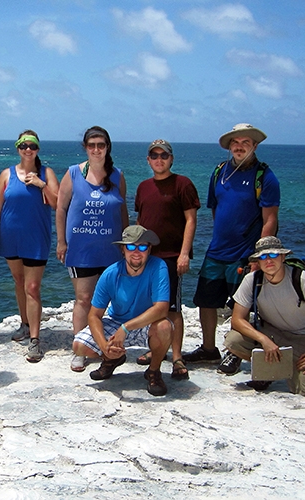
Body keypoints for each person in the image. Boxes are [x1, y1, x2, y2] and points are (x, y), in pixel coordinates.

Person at [187, 123, 280, 373]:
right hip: (217, 250)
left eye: (245, 142)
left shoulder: (265, 177)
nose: (239, 147)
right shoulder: (219, 172)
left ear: (255, 146)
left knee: (240, 306)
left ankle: (234, 352)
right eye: (235, 143)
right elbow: (216, 208)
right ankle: (209, 349)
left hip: (245, 254)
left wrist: (257, 256)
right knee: (205, 300)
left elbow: (270, 219)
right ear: (230, 146)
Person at [225, 236, 305, 397]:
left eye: (273, 255)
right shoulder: (252, 280)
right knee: (234, 340)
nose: (268, 260)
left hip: (304, 337)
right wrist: (264, 340)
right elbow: (237, 319)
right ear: (257, 262)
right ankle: (270, 372)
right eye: (263, 257)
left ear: (283, 257)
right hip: (271, 333)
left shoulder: (301, 279)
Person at [56, 126, 128, 372]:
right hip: (81, 250)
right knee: (84, 299)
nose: (96, 150)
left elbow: (122, 210)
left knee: (108, 302)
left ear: (107, 148)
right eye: (92, 145)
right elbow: (61, 208)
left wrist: (126, 243)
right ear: (86, 148)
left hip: (110, 251)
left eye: (101, 145)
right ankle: (79, 349)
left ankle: (105, 345)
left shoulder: (117, 176)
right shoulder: (73, 173)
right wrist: (61, 242)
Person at [72, 225, 172, 396]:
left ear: (149, 249)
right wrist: (105, 347)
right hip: (116, 321)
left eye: (142, 246)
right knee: (79, 346)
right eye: (131, 246)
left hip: (146, 323)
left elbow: (161, 309)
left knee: (165, 327)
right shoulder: (111, 273)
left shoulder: (158, 267)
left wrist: (125, 328)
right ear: (122, 249)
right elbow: (94, 315)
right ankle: (112, 359)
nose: (136, 251)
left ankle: (154, 371)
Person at [0, 130, 60, 363]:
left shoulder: (46, 173)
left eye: (32, 145)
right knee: (19, 282)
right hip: (11, 237)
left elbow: (58, 202)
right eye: (23, 145)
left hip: (36, 238)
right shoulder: (6, 174)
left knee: (33, 287)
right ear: (17, 148)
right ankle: (25, 324)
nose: (28, 149)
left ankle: (35, 340)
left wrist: (40, 184)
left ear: (38, 149)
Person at [134, 139, 200, 380]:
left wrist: (184, 253)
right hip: (147, 257)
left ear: (171, 159)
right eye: (154, 155)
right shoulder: (143, 187)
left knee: (172, 308)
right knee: (151, 307)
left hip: (172, 256)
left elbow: (191, 220)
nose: (159, 159)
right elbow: (141, 222)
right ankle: (156, 350)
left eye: (164, 155)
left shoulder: (183, 184)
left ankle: (177, 356)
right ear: (148, 160)